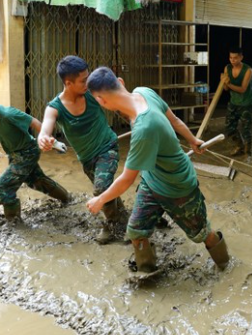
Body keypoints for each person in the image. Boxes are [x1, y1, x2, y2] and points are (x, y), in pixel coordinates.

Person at [85, 67, 230, 273]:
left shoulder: (144, 128)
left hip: (177, 187)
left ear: (101, 101)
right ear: (121, 81)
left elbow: (126, 179)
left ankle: (225, 264)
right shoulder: (143, 91)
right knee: (135, 231)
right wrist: (192, 139)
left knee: (202, 234)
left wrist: (100, 200)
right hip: (152, 181)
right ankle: (148, 274)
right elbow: (175, 120)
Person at [38, 56, 128, 244]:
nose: (88, 83)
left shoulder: (92, 94)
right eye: (83, 80)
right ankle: (126, 219)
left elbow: (120, 102)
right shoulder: (55, 107)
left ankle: (112, 226)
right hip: (87, 159)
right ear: (68, 83)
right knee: (107, 189)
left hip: (107, 147)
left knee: (101, 188)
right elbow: (46, 126)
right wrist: (43, 138)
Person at [0, 85, 70, 225]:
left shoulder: (8, 114)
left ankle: (14, 222)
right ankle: (67, 199)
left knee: (3, 187)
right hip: (14, 153)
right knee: (36, 180)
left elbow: (34, 122)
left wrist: (53, 141)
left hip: (27, 152)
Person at [222, 47, 252, 156]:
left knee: (246, 129)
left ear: (241, 57)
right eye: (231, 58)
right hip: (233, 102)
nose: (232, 60)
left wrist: (228, 83)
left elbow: (242, 89)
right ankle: (239, 145)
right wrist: (224, 83)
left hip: (246, 103)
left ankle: (247, 153)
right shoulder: (227, 68)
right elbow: (226, 89)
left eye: (235, 58)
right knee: (229, 128)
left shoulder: (248, 70)